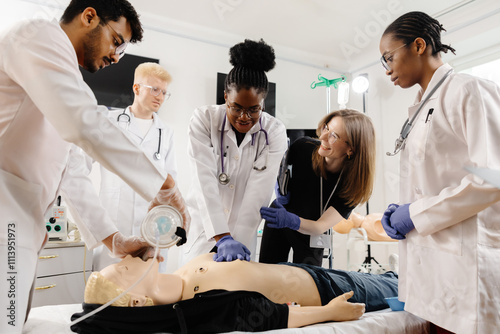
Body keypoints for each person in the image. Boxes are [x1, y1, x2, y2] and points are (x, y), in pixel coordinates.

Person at [0, 1, 189, 332]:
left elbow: (71, 172)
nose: (117, 57)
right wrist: (164, 184)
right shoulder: (38, 36)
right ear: (89, 16)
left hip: (20, 223)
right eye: (117, 41)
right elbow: (83, 123)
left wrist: (113, 240)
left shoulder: (65, 81)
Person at [379, 11, 500, 334]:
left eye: (389, 57)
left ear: (418, 45)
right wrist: (405, 210)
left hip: (466, 265)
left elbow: (491, 180)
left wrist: (415, 214)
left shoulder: (469, 91)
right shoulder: (421, 106)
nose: (387, 69)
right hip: (435, 270)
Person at [72, 253, 398, 333]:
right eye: (125, 269)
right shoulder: (198, 306)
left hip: (312, 271)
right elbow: (272, 315)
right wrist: (330, 312)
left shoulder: (180, 274)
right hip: (331, 289)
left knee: (395, 275)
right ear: (140, 301)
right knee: (402, 283)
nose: (126, 259)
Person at [181, 39, 288, 264]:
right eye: (236, 107)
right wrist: (221, 237)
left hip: (243, 237)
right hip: (204, 232)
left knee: (235, 291)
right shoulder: (204, 119)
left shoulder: (274, 132)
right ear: (225, 97)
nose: (244, 117)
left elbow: (258, 193)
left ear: (263, 103)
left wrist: (235, 243)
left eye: (253, 110)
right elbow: (204, 179)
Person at [259, 109, 376, 266]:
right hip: (280, 217)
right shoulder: (303, 147)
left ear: (351, 149)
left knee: (307, 284)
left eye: (334, 136)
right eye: (326, 128)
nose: (322, 137)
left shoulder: (353, 186)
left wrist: (291, 221)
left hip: (311, 233)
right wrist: (279, 191)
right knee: (267, 275)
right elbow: (277, 169)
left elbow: (319, 226)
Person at [93, 62, 178, 273]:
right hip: (114, 226)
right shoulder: (109, 122)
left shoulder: (165, 133)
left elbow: (170, 182)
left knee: (148, 295)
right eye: (155, 89)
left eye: (165, 92)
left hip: (152, 229)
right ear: (136, 88)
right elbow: (79, 168)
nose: (160, 96)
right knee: (108, 290)